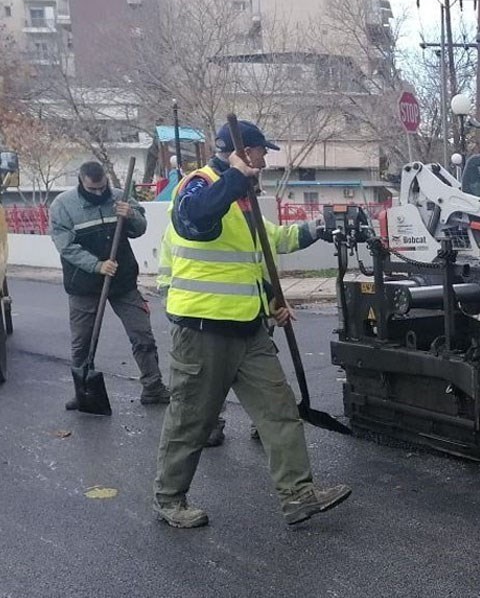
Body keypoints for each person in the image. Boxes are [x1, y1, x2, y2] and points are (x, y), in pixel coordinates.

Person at [153, 119, 349, 529]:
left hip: (248, 330)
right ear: (241, 152)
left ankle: (298, 495)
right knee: (192, 419)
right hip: (202, 329)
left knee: (279, 411)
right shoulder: (199, 183)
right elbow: (195, 219)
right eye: (260, 151)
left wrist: (318, 230)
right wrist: (233, 181)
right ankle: (170, 499)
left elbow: (268, 243)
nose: (264, 159)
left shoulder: (244, 198)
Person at [156, 191, 318, 448]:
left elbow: (276, 242)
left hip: (249, 319)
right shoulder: (189, 224)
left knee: (271, 397)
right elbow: (172, 281)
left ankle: (275, 446)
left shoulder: (246, 217)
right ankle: (210, 424)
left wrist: (317, 227)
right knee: (203, 396)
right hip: (204, 324)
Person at [50, 161, 170, 409]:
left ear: (106, 180)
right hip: (83, 285)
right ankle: (83, 392)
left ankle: (153, 387)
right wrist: (97, 265)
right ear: (82, 181)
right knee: (82, 343)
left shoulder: (119, 197)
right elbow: (66, 246)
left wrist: (131, 216)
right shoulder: (63, 206)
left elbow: (140, 229)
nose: (98, 193)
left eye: (102, 187)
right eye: (92, 189)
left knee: (142, 334)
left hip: (123, 282)